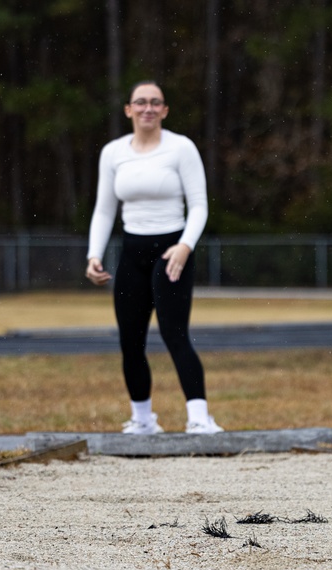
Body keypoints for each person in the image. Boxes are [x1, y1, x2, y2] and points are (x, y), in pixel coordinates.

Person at [85, 80, 223, 435]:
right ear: (129, 110)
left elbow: (199, 205)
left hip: (172, 252)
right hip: (132, 253)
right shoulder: (113, 153)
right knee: (130, 341)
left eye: (155, 103)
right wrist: (94, 255)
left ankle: (198, 418)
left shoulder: (181, 148)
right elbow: (103, 210)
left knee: (175, 334)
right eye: (140, 102)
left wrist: (184, 245)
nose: (148, 108)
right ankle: (143, 419)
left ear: (164, 110)